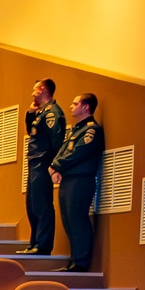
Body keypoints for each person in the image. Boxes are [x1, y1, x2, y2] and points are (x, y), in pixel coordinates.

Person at [49, 92, 104, 273]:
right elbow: (64, 151)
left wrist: (55, 166)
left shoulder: (91, 130)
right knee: (68, 220)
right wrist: (55, 167)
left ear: (85, 106)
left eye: (75, 104)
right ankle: (73, 260)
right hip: (69, 180)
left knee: (77, 219)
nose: (71, 106)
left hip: (81, 180)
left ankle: (81, 262)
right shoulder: (76, 130)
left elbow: (77, 153)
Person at [21, 78, 63, 256]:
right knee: (31, 204)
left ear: (43, 89)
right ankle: (35, 243)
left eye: (35, 89)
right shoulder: (41, 113)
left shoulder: (53, 112)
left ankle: (43, 245)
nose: (32, 93)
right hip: (34, 161)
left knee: (42, 203)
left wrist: (54, 165)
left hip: (44, 162)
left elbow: (57, 141)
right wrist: (31, 113)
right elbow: (31, 132)